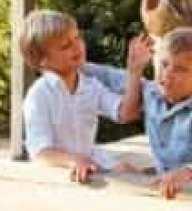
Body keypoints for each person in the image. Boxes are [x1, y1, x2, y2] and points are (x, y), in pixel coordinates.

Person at [86, 27, 192, 199]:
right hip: (170, 187)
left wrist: (187, 173)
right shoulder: (153, 94)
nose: (167, 73)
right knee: (121, 173)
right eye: (164, 64)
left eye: (180, 69)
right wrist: (79, 66)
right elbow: (112, 77)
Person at [20, 10, 151, 183]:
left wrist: (134, 72)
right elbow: (40, 152)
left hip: (89, 158)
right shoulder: (39, 94)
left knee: (130, 173)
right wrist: (73, 160)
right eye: (65, 45)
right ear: (42, 59)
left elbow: (126, 113)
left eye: (77, 38)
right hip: (56, 167)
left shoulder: (91, 86)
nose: (77, 47)